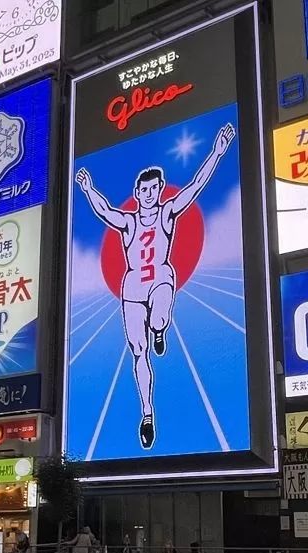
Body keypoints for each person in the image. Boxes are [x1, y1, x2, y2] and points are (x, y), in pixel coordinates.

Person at [75, 122, 236, 449]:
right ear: (137, 194)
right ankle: (147, 413)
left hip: (161, 276)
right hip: (133, 285)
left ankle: (160, 328)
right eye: (144, 190)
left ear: (160, 190)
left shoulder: (167, 213)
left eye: (155, 189)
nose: (150, 195)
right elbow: (105, 210)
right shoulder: (128, 221)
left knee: (159, 316)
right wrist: (89, 189)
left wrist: (218, 152)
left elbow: (195, 186)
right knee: (138, 350)